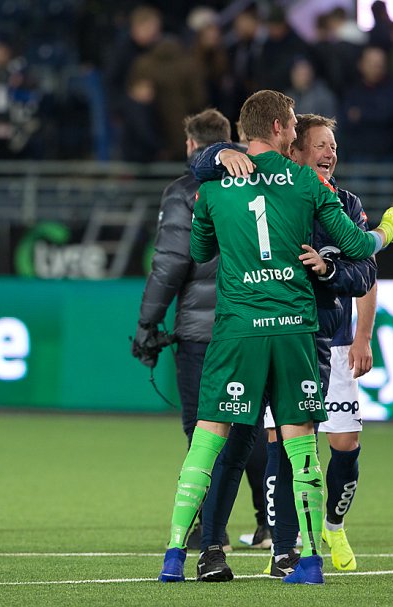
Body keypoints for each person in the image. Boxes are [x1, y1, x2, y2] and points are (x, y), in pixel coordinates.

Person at [156, 90, 393, 585]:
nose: (296, 133)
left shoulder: (213, 187)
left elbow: (201, 248)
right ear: (278, 128)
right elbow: (358, 246)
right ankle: (309, 561)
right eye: (293, 124)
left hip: (236, 331)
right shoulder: (306, 184)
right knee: (300, 446)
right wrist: (388, 233)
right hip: (293, 328)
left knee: (207, 443)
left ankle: (174, 557)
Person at [191, 114, 378, 579]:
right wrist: (217, 153)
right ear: (292, 149)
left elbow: (366, 269)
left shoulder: (345, 202)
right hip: (268, 331)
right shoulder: (271, 189)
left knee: (318, 445)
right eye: (318, 144)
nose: (329, 153)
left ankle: (309, 537)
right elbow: (200, 165)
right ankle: (233, 546)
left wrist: (332, 274)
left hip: (319, 341)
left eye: (333, 145)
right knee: (250, 440)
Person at [132, 109, 268, 552]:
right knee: (247, 424)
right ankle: (270, 523)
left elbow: (171, 262)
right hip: (250, 320)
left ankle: (211, 531)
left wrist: (148, 322)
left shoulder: (185, 191)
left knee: (202, 428)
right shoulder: (256, 182)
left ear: (193, 145)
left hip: (200, 331)